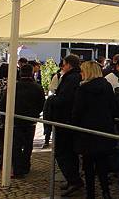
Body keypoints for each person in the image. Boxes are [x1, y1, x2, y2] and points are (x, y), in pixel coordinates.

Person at [72, 61, 116, 199]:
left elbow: (77, 112)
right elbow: (113, 107)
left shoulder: (83, 89)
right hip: (104, 129)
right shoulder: (107, 86)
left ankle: (90, 193)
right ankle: (105, 192)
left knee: (88, 165)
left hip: (87, 132)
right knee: (102, 164)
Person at [0, 64, 45, 177]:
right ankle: (26, 165)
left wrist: (5, 118)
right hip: (30, 121)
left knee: (16, 145)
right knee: (28, 144)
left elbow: (3, 103)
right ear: (31, 73)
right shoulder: (37, 87)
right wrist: (35, 113)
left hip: (15, 121)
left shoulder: (13, 87)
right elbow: (42, 104)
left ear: (20, 73)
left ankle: (18, 169)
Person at [51, 54, 84, 196]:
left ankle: (74, 180)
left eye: (63, 64)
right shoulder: (75, 77)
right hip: (69, 121)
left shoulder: (70, 78)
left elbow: (65, 99)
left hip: (65, 121)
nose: (62, 67)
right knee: (69, 153)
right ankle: (72, 179)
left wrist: (54, 101)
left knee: (63, 153)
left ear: (69, 65)